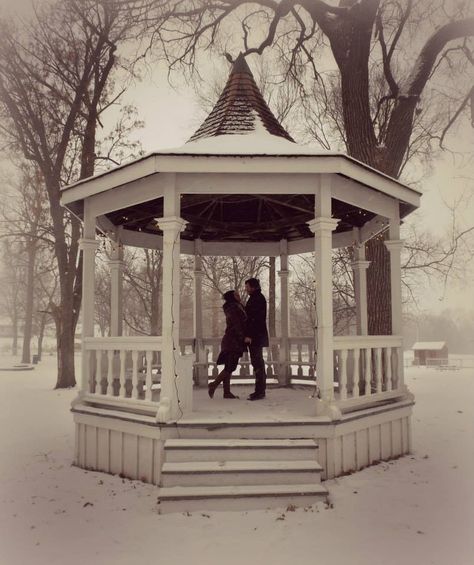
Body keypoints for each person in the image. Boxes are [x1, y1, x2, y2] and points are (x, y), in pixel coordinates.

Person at [208, 290, 246, 400]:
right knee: (231, 366)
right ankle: (214, 384)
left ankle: (227, 392)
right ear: (232, 297)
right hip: (233, 340)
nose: (239, 296)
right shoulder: (233, 307)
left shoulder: (234, 306)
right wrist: (242, 337)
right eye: (237, 295)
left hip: (231, 340)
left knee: (228, 366)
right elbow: (237, 324)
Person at [244, 278, 269, 401]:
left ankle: (260, 392)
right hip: (257, 336)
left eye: (247, 286)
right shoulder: (256, 297)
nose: (246, 289)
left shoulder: (257, 299)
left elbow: (255, 320)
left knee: (257, 364)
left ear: (253, 287)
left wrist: (250, 336)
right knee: (258, 363)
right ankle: (260, 391)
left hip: (255, 337)